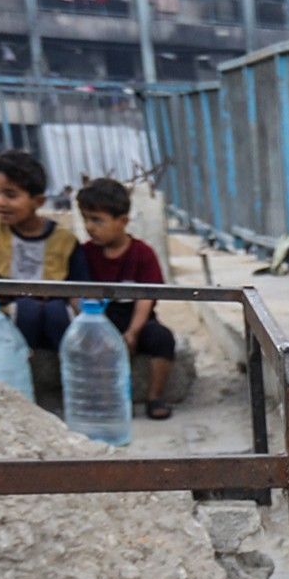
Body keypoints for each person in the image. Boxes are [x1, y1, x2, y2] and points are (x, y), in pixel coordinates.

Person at [72, 177, 179, 420]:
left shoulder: (142, 253)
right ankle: (104, 397)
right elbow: (75, 294)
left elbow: (146, 297)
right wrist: (91, 326)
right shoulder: (84, 254)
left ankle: (155, 397)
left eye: (97, 220)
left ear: (122, 221)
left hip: (136, 320)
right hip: (98, 319)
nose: (90, 227)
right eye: (86, 219)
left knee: (162, 339)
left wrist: (133, 332)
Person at [0, 149, 78, 355]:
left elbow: (79, 287)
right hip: (8, 308)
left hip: (54, 310)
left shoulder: (65, 239)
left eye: (10, 194)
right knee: (27, 308)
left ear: (38, 201)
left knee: (53, 312)